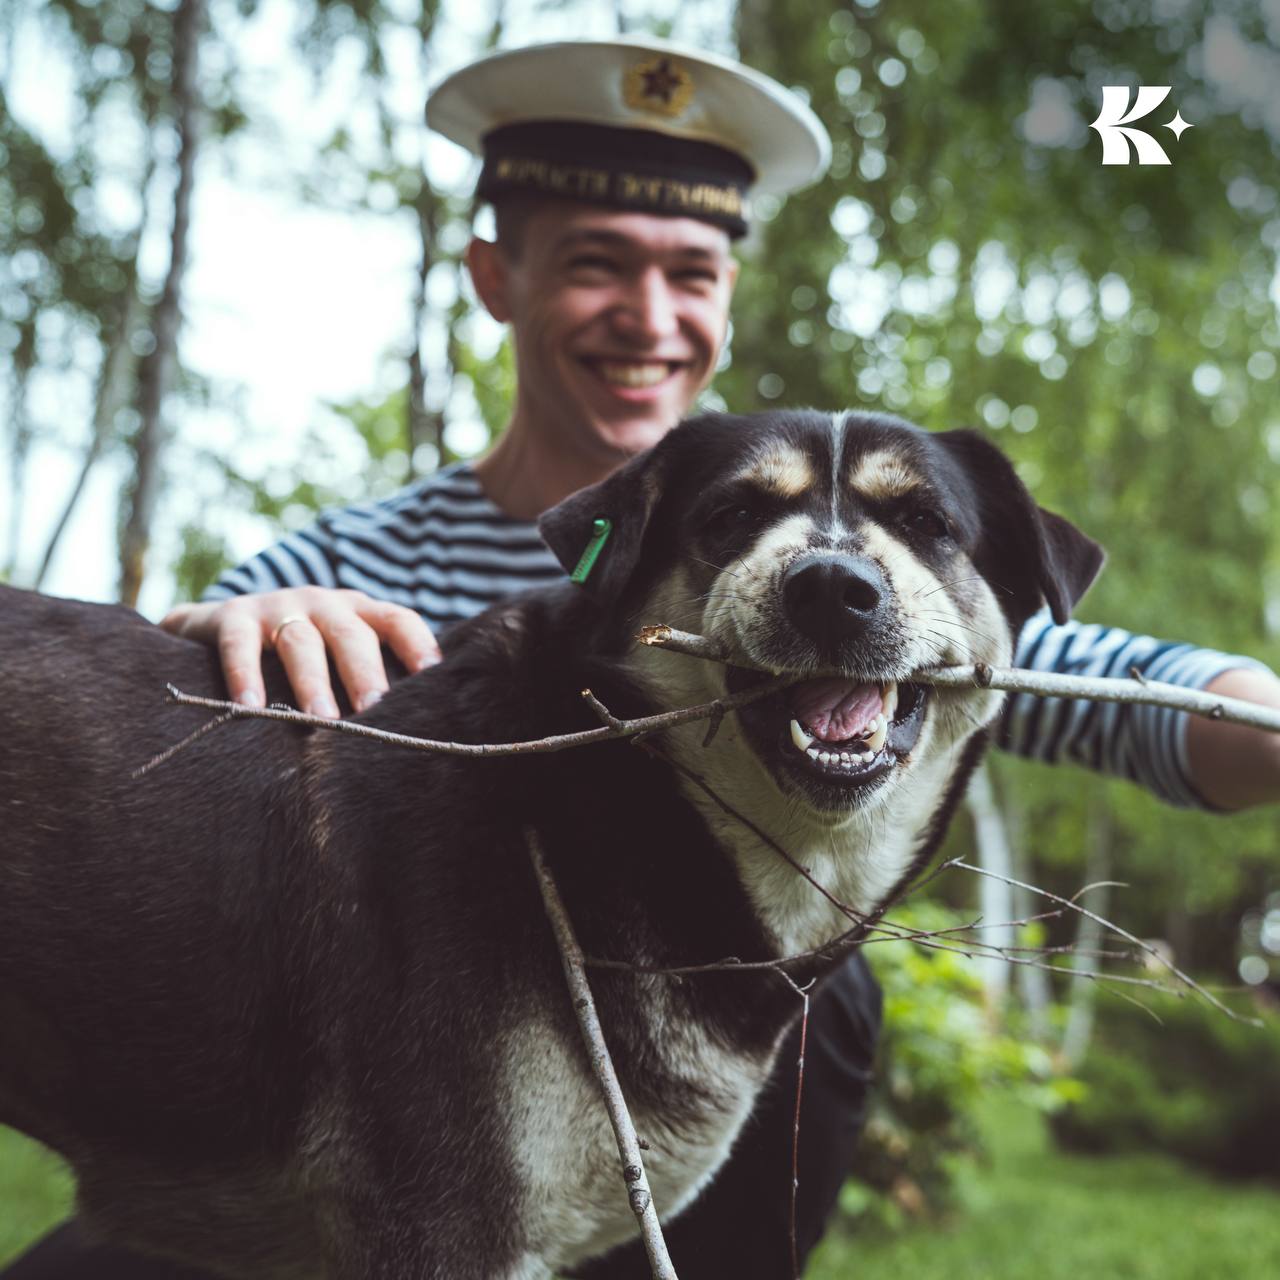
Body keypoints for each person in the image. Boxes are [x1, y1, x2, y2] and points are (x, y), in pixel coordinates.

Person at [10, 36, 1280, 1280]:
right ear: (496, 276)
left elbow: (1138, 695)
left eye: (690, 272)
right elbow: (156, 739)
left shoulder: (878, 583)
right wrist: (233, 617)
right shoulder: (351, 555)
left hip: (634, 1131)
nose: (648, 314)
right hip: (316, 1089)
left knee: (817, 986)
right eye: (596, 263)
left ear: (725, 298)